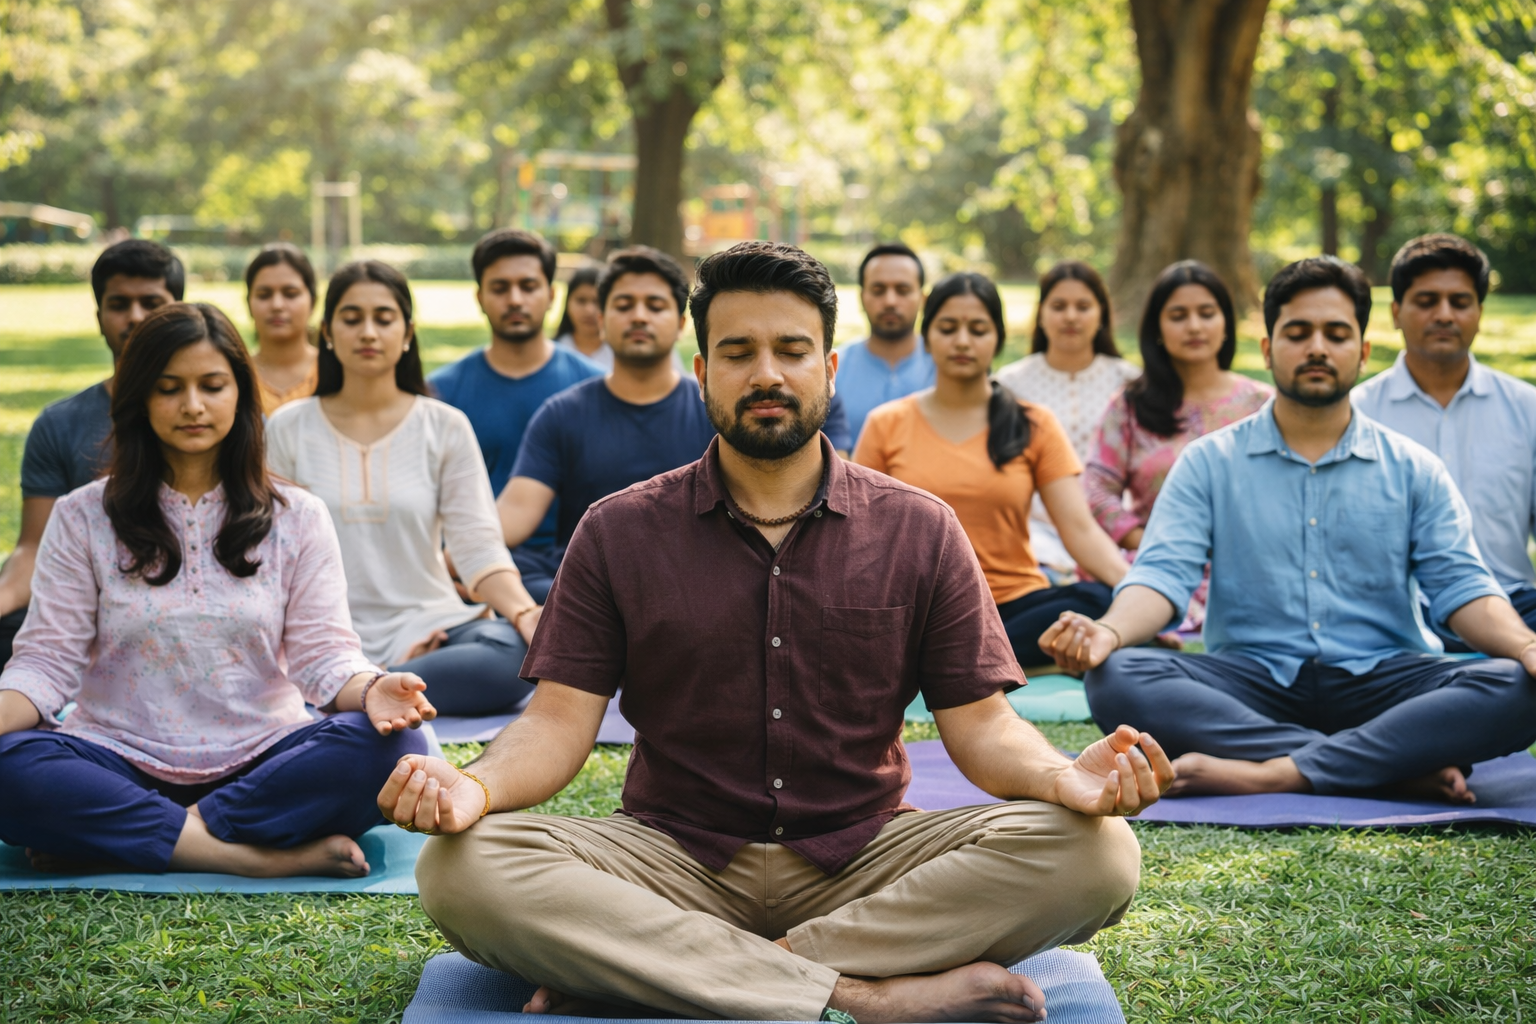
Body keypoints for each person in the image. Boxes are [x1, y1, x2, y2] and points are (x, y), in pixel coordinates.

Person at [385, 241, 1171, 1024]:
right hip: (669, 858)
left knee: (1098, 852)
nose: (767, 373)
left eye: (792, 350)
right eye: (738, 352)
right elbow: (556, 726)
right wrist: (475, 785)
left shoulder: (920, 530)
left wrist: (1060, 776)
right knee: (464, 866)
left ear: (830, 369)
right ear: (703, 375)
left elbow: (985, 729)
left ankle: (664, 969)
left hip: (867, 860)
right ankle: (861, 997)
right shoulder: (617, 531)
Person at [1044, 256, 1536, 805]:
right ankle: (1387, 769)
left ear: (1363, 352)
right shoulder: (1209, 462)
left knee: (1518, 686)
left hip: (1384, 683)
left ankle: (1271, 772)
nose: (1317, 348)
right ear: (1268, 348)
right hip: (1252, 683)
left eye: (1337, 334)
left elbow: (1463, 587)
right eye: (1298, 333)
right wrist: (1107, 632)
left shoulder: (1413, 467)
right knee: (1118, 676)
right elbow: (1162, 577)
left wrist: (1526, 644)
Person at [0, 303, 434, 876]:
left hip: (262, 759)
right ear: (138, 399)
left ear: (241, 394)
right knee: (10, 765)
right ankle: (248, 857)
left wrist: (374, 688)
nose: (193, 406)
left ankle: (123, 835)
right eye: (168, 388)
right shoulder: (82, 515)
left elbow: (324, 655)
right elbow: (47, 661)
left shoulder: (297, 516)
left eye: (212, 385)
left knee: (399, 749)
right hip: (117, 756)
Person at [267, 262, 544, 717]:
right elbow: (274, 555)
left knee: (504, 656)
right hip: (322, 633)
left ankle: (369, 684)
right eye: (352, 319)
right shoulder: (288, 427)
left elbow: (477, 546)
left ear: (408, 331)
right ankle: (370, 681)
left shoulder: (444, 426)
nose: (369, 332)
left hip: (430, 624)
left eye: (384, 318)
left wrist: (524, 614)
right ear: (328, 333)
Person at [854, 272, 1128, 668]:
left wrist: (1135, 594)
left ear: (997, 338)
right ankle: (986, 659)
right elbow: (860, 535)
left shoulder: (1034, 422)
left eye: (978, 329)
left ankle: (957, 661)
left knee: (1097, 600)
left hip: (1013, 606)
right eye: (948, 328)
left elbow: (1081, 530)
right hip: (921, 605)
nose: (963, 341)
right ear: (927, 336)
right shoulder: (887, 423)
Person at [0, 240, 184, 669]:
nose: (135, 316)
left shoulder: (212, 421)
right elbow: (33, 546)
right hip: (83, 600)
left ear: (179, 312)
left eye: (151, 303)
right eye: (119, 304)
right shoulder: (60, 424)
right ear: (99, 315)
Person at [1353, 234, 1536, 644]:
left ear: (1480, 312)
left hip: (1514, 605)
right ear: (1396, 312)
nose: (1444, 314)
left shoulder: (1528, 409)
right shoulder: (1355, 414)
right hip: (1395, 616)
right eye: (1426, 301)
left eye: (1460, 302)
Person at [496, 247, 717, 568]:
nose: (639, 316)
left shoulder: (714, 411)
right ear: (601, 321)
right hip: (582, 591)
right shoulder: (561, 414)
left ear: (681, 324)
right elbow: (515, 512)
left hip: (693, 585)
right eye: (624, 305)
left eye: (655, 306)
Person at [1083, 260, 1271, 632]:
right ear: (1157, 328)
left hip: (1249, 566)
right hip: (1155, 562)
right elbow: (1096, 489)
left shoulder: (1263, 406)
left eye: (1207, 313)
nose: (1194, 326)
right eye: (1178, 315)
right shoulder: (1130, 406)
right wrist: (1147, 540)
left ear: (1225, 324)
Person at [428, 230, 605, 602]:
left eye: (528, 286)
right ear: (479, 297)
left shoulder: (595, 389)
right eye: (500, 288)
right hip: (463, 573)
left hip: (574, 574)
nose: (515, 299)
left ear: (552, 295)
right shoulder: (438, 395)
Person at [995, 261, 1140, 580]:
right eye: (1059, 306)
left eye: (1083, 306)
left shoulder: (1130, 382)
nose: (1071, 316)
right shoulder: (1009, 385)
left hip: (1113, 530)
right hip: (1035, 531)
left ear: (1101, 314)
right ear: (1041, 315)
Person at [833, 242, 935, 447]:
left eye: (902, 290)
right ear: (862, 298)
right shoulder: (834, 368)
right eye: (878, 290)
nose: (890, 301)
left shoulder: (944, 364)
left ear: (922, 299)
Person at [245, 243, 320, 414]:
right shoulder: (236, 375)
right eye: (264, 295)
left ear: (313, 302)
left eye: (290, 293)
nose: (277, 305)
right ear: (248, 304)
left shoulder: (338, 373)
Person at [552, 265, 606, 365]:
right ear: (567, 302)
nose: (589, 310)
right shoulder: (551, 354)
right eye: (581, 300)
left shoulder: (622, 356)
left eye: (597, 302)